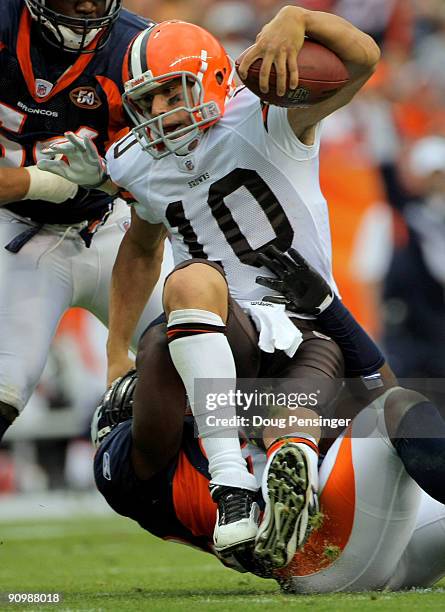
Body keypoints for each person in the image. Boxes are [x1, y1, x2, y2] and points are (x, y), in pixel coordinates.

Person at [39, 7, 381, 562]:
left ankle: (285, 478)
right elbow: (141, 245)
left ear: (215, 79)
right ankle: (232, 488)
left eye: (173, 93)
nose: (159, 112)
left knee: (293, 415)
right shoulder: (137, 161)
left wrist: (297, 19)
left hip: (306, 323)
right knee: (194, 278)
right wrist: (115, 348)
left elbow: (363, 58)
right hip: (217, 326)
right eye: (148, 100)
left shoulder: (265, 115)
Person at [91, 278, 445, 591]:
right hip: (322, 553)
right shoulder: (146, 461)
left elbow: (378, 388)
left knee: (386, 412)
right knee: (393, 408)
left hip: (385, 534)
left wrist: (330, 310)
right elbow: (158, 345)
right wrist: (191, 293)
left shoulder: (228, 415)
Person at [0, 0, 173, 445]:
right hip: (16, 229)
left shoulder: (139, 49)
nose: (87, 5)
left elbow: (160, 194)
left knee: (218, 361)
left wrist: (111, 183)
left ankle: (270, 473)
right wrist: (39, 182)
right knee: (4, 387)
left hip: (118, 229)